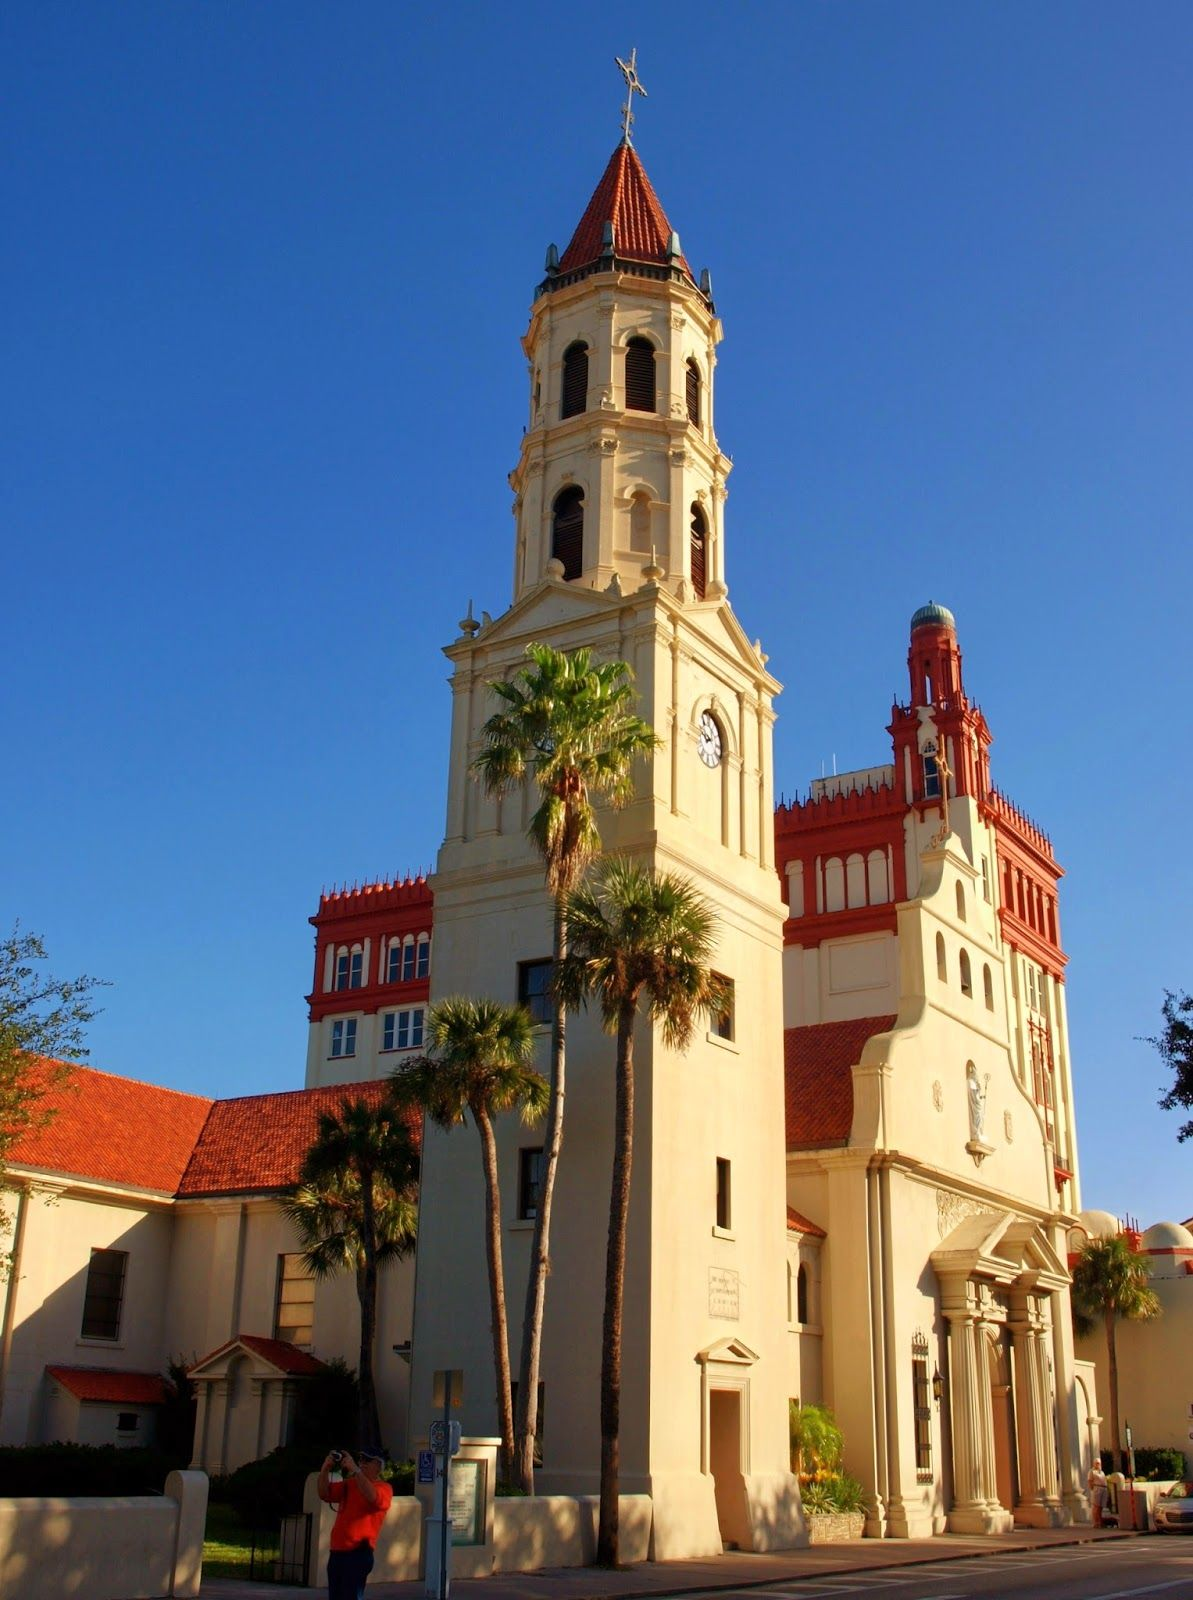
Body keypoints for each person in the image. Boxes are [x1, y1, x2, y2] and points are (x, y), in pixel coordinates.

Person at [317, 1447, 393, 1600]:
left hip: (358, 1553)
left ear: (378, 1466)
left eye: (367, 1460)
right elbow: (324, 1493)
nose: (362, 1463)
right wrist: (325, 1469)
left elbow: (373, 1497)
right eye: (361, 1460)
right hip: (337, 1552)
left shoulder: (383, 1488)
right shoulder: (349, 1484)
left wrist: (356, 1471)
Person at [1087, 1457, 1109, 1527]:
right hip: (1097, 1489)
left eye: (1099, 1463)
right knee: (1096, 1506)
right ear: (1094, 1464)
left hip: (1103, 1489)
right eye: (1097, 1463)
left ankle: (1100, 1522)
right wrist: (1093, 1489)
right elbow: (1090, 1481)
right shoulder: (1092, 1471)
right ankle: (1096, 1523)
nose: (1098, 1464)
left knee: (1101, 1507)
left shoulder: (1102, 1472)